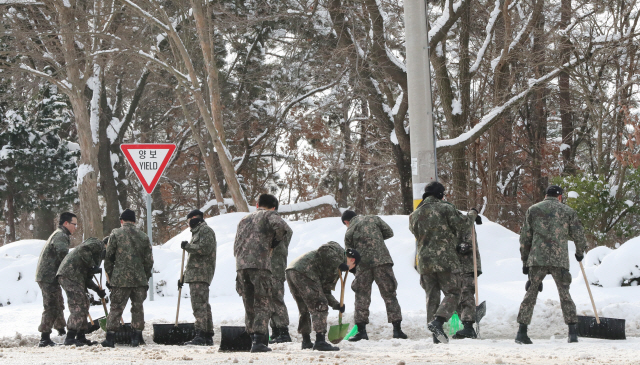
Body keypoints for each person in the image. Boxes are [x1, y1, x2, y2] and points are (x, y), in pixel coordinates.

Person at [516, 185, 587, 344]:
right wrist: (579, 252)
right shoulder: (568, 211)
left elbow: (525, 238)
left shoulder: (533, 210)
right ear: (560, 196)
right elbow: (579, 234)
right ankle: (572, 333)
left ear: (546, 195)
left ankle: (522, 332)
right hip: (559, 259)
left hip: (537, 258)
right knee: (564, 294)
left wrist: (525, 261)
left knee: (531, 293)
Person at [409, 182, 478, 344]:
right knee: (454, 292)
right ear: (440, 194)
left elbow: (415, 232)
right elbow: (463, 224)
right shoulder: (446, 208)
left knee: (431, 297)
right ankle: (438, 321)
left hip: (424, 262)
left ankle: (436, 335)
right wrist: (473, 214)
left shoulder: (415, 214)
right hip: (445, 260)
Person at [234, 194, 291, 352]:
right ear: (273, 208)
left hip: (241, 265)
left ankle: (251, 338)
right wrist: (274, 242)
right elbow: (283, 228)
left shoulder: (244, 219)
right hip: (260, 264)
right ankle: (259, 340)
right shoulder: (269, 214)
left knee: (249, 302)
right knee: (262, 302)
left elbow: (236, 243)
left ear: (257, 204)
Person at [342, 210, 406, 341]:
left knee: (361, 296)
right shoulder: (374, 218)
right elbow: (389, 232)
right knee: (389, 294)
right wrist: (375, 238)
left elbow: (350, 254)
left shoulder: (349, 231)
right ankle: (397, 330)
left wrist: (353, 270)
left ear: (346, 222)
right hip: (382, 261)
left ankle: (361, 332)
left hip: (363, 265)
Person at [286, 242, 359, 351]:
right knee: (320, 304)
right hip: (305, 270)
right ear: (352, 260)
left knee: (304, 307)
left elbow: (325, 291)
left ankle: (306, 341)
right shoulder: (338, 250)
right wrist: (339, 264)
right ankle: (320, 341)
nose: (348, 270)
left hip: (293, 270)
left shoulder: (336, 270)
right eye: (352, 268)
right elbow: (324, 249)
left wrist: (336, 304)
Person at [101, 209, 154, 348]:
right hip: (139, 280)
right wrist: (145, 277)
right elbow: (149, 261)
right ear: (134, 221)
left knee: (116, 308)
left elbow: (108, 258)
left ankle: (110, 338)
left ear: (121, 221)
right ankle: (136, 338)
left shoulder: (116, 234)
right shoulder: (143, 236)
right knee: (138, 308)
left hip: (120, 279)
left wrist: (111, 277)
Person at [35, 212, 77, 347]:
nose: (75, 227)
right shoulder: (61, 236)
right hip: (48, 277)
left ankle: (61, 331)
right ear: (66, 223)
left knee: (58, 303)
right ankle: (44, 337)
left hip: (49, 276)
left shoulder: (59, 233)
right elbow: (64, 257)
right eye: (74, 224)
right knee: (52, 305)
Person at [57, 237, 106, 346]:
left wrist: (97, 289)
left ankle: (81, 336)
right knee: (78, 304)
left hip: (76, 277)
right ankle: (70, 337)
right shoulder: (97, 244)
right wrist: (92, 265)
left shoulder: (97, 255)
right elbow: (83, 249)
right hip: (68, 275)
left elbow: (87, 278)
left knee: (85, 303)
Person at [178, 209, 217, 346]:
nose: (188, 224)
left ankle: (200, 334)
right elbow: (193, 259)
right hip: (196, 274)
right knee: (203, 305)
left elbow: (204, 249)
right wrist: (184, 276)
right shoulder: (198, 232)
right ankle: (207, 335)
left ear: (194, 218)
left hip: (201, 274)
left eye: (188, 220)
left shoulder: (205, 230)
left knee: (199, 305)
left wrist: (188, 247)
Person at [452, 222, 482, 339]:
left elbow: (468, 244)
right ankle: (465, 326)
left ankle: (468, 326)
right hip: (455, 267)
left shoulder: (464, 222)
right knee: (458, 297)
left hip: (467, 266)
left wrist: (456, 247)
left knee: (466, 294)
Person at [269, 227, 293, 343]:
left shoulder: (281, 228)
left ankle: (284, 332)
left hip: (276, 269)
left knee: (277, 300)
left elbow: (287, 230)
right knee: (270, 301)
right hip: (270, 269)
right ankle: (276, 331)